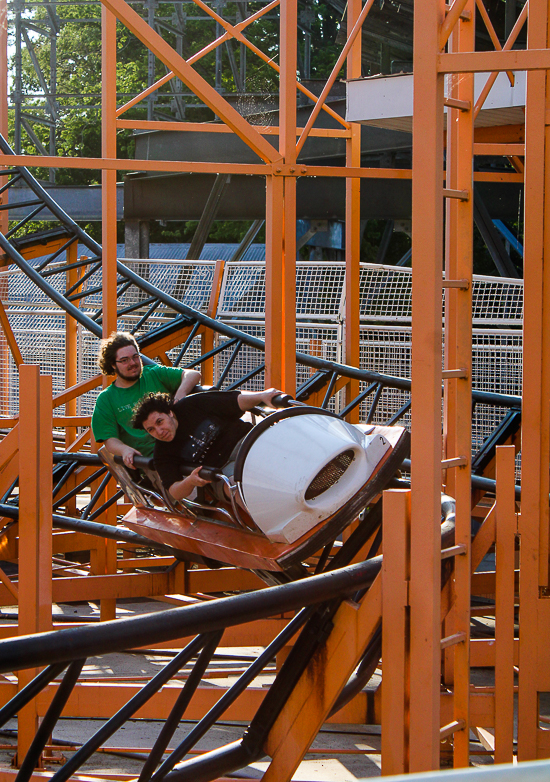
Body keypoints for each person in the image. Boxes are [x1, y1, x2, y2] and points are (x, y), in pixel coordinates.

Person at [131, 387, 281, 502]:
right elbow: (174, 491)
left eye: (160, 422)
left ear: (170, 413)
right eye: (151, 429)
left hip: (245, 442)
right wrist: (189, 481)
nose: (159, 431)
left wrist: (262, 395)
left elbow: (236, 402)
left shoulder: (192, 404)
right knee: (237, 488)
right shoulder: (162, 452)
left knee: (276, 454)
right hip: (220, 471)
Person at [91, 332, 201, 468]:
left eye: (135, 357)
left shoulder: (153, 373)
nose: (132, 363)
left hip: (186, 446)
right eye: (125, 360)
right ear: (113, 364)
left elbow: (193, 374)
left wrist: (179, 397)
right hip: (153, 461)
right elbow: (109, 440)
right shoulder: (106, 399)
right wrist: (124, 450)